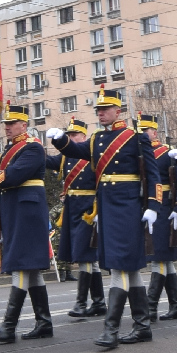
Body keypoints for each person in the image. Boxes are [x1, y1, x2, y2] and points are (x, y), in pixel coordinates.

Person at [80, 91, 157, 349]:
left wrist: (153, 205)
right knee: (131, 270)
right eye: (97, 109)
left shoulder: (135, 138)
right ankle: (142, 326)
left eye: (105, 108)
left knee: (119, 267)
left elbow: (153, 174)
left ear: (118, 111)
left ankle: (110, 330)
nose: (100, 112)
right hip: (108, 206)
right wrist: (58, 141)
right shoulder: (97, 139)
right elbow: (76, 149)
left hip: (127, 207)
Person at [0, 109, 54, 342]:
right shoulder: (10, 149)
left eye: (12, 123)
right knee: (30, 268)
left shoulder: (33, 147)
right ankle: (44, 322)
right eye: (6, 123)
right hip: (15, 210)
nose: (7, 127)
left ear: (24, 125)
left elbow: (14, 176)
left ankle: (9, 326)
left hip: (27, 211)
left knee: (22, 264)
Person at [46, 117, 102, 318]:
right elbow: (46, 161)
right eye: (68, 135)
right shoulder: (65, 157)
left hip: (88, 210)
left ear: (84, 136)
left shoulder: (93, 154)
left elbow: (101, 184)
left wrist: (98, 210)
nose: (71, 137)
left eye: (74, 134)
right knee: (87, 257)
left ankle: (81, 303)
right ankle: (99, 302)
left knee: (85, 256)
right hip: (72, 208)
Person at [141, 115, 177, 321]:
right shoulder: (140, 154)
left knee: (159, 257)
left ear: (155, 132)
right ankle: (176, 305)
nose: (142, 134)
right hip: (148, 209)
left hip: (166, 210)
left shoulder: (167, 154)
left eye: (146, 131)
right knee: (166, 260)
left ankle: (150, 307)